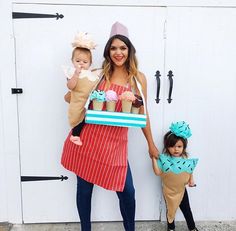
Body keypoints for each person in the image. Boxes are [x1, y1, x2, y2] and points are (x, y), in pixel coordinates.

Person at [61, 22, 159, 231]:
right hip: (89, 141)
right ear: (108, 51)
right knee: (85, 190)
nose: (118, 52)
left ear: (129, 50)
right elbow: (71, 97)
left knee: (128, 193)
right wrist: (75, 88)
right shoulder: (97, 74)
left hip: (115, 146)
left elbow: (143, 113)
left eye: (122, 48)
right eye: (113, 48)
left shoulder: (138, 79)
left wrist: (151, 144)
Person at [152, 121, 199, 231]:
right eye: (172, 146)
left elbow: (189, 170)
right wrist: (153, 159)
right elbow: (158, 172)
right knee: (170, 210)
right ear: (167, 147)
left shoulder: (185, 159)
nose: (176, 149)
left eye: (179, 146)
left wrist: (191, 180)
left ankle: (192, 228)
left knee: (187, 209)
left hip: (182, 190)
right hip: (168, 191)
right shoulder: (164, 159)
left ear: (184, 147)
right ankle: (171, 228)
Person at [64, 32, 101, 145]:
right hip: (77, 101)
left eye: (85, 62)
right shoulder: (72, 73)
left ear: (90, 63)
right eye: (78, 61)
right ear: (72, 61)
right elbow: (70, 86)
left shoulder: (91, 74)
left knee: (87, 118)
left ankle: (79, 135)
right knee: (77, 117)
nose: (81, 64)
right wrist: (75, 75)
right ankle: (75, 135)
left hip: (88, 103)